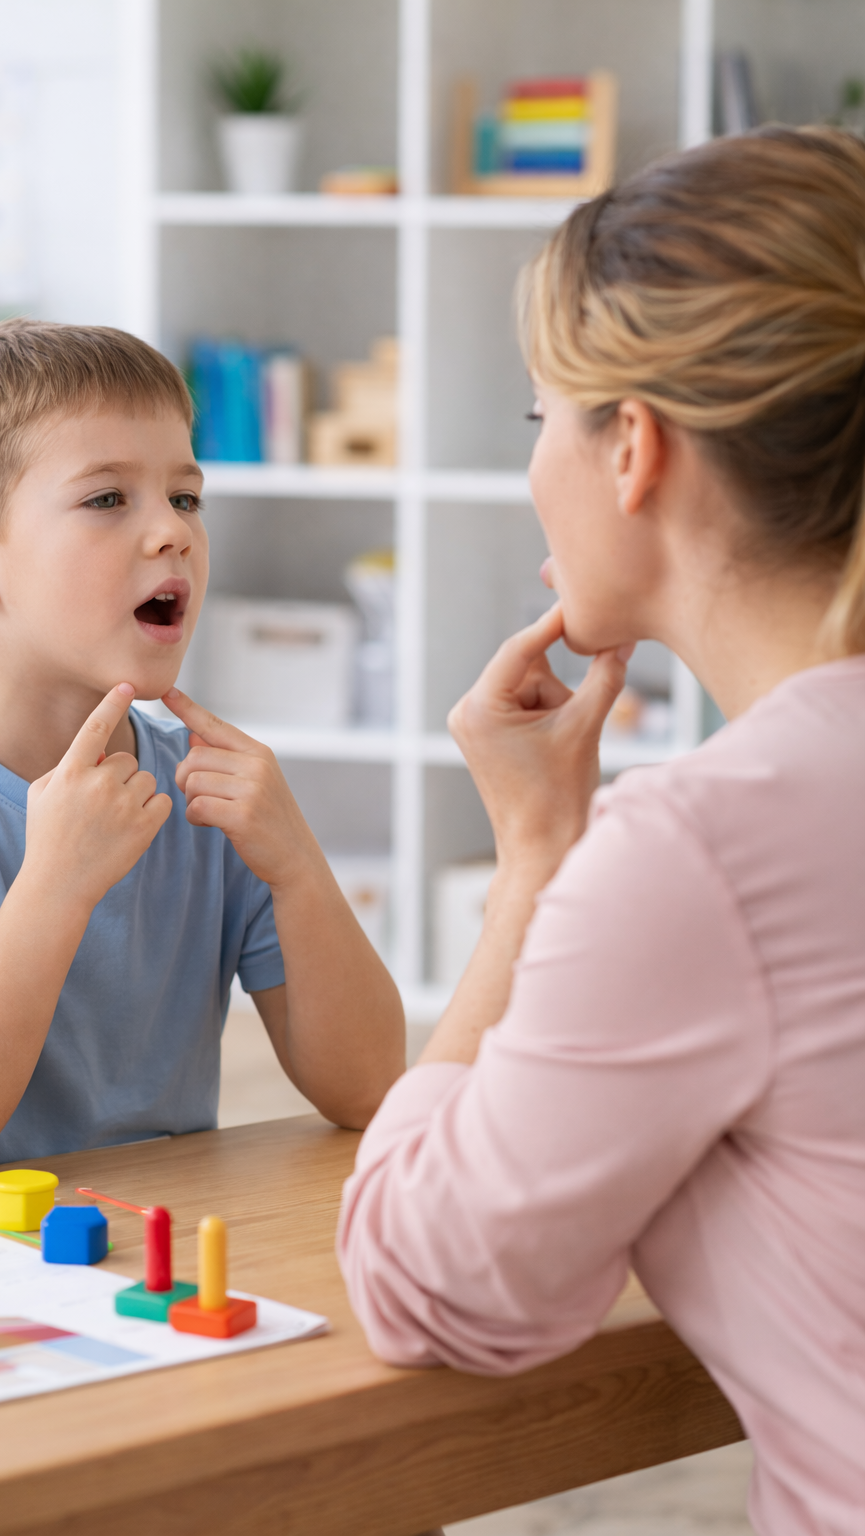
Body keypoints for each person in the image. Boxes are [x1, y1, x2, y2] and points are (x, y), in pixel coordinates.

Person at [337, 126, 865, 1535]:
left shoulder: (706, 847)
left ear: (633, 446)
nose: (531, 476)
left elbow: (431, 1284)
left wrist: (532, 866)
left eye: (538, 421)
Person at [0, 320, 404, 1189]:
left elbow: (368, 1090)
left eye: (186, 497)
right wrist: (57, 882)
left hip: (142, 1238)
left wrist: (296, 867)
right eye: (108, 499)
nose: (172, 532)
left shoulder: (207, 790)